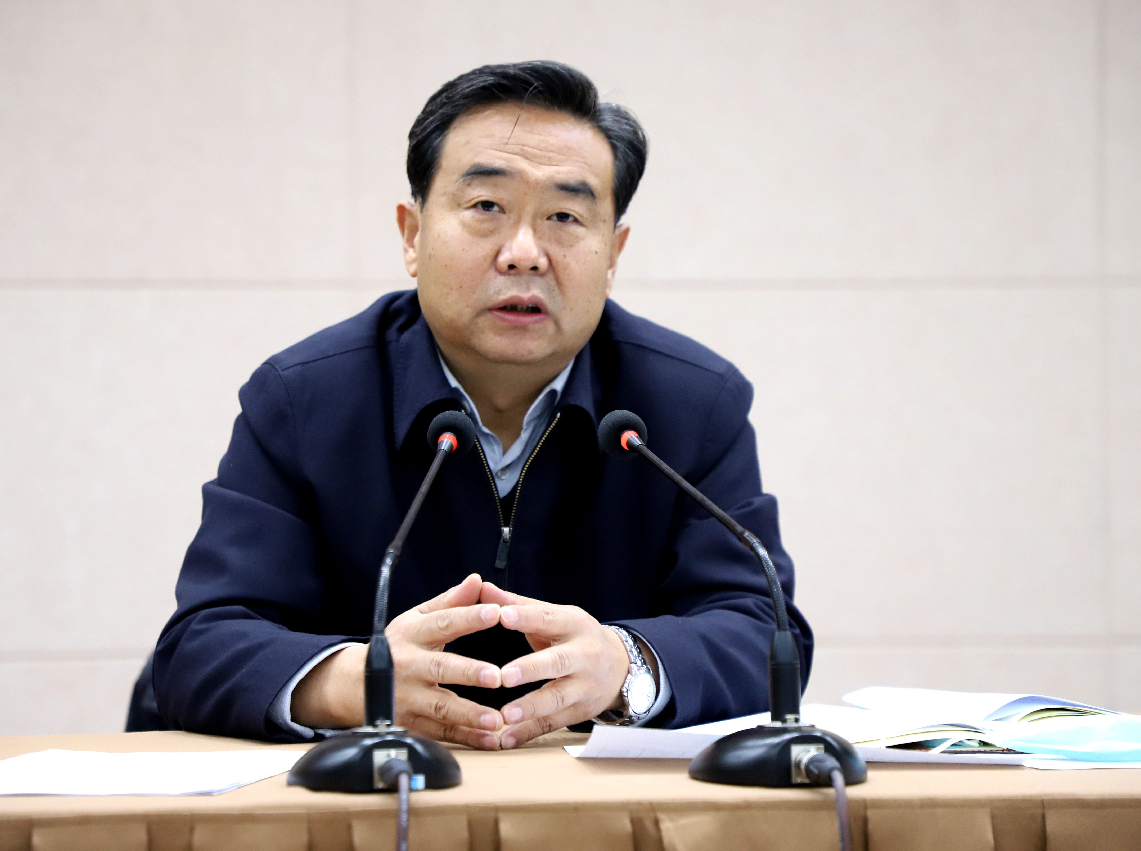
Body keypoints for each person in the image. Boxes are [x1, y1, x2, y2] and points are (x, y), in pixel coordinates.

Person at [154, 60, 812, 750]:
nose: (524, 253)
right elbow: (201, 644)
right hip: (369, 792)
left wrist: (625, 667)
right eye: (486, 208)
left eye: (565, 216)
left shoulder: (692, 404)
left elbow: (764, 632)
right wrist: (357, 682)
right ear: (412, 235)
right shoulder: (304, 398)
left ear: (614, 252)